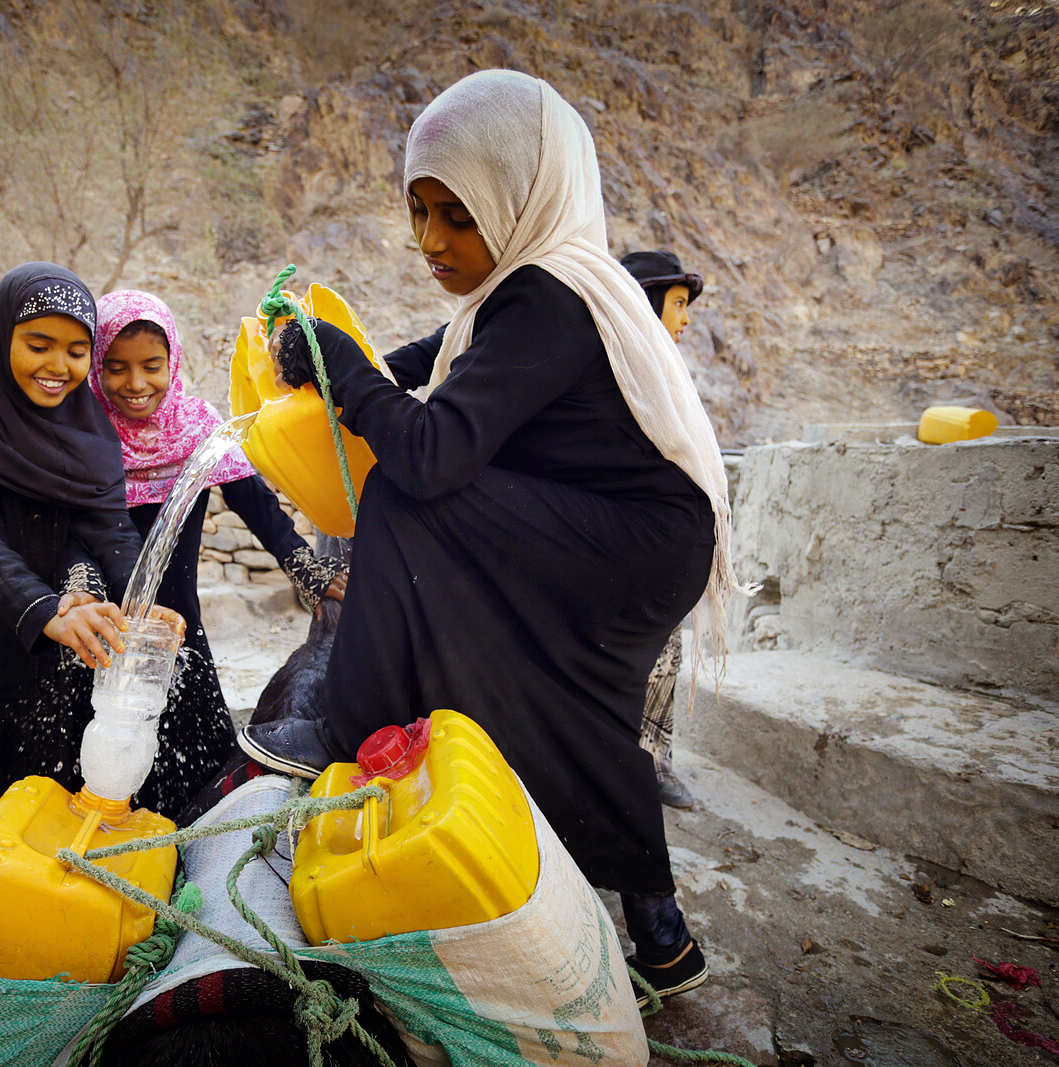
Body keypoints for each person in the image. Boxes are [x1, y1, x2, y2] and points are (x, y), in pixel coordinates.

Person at [236, 70, 748, 1005]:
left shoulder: (547, 297)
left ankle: (352, 725)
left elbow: (431, 452)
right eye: (418, 210)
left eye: (456, 216)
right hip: (632, 535)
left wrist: (347, 372)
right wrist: (328, 367)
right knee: (572, 708)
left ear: (518, 199)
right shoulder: (524, 291)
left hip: (629, 540)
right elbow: (430, 363)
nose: (430, 240)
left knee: (405, 498)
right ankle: (662, 935)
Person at [0, 263, 183, 903]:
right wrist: (43, 607)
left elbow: (110, 528)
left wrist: (147, 600)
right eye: (38, 345)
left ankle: (38, 907)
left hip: (62, 623)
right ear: (1, 339)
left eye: (77, 350)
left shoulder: (90, 434)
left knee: (47, 758)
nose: (58, 364)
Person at [89, 289, 347, 820]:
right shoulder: (83, 436)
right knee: (100, 771)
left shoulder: (195, 427)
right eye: (116, 368)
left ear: (173, 361)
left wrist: (308, 569)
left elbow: (259, 507)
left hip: (177, 634)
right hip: (101, 635)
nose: (136, 384)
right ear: (96, 367)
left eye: (152, 366)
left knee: (196, 771)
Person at [620, 249, 707, 810]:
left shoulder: (668, 373)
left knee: (665, 653)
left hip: (652, 547)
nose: (686, 318)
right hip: (610, 540)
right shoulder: (611, 368)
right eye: (677, 303)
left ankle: (652, 762)